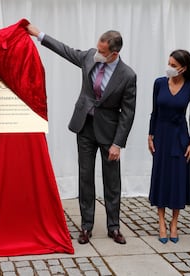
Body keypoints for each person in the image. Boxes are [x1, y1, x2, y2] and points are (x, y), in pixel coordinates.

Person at [27, 24, 137, 245]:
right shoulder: (89, 56)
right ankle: (86, 226)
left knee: (111, 181)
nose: (97, 54)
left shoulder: (128, 76)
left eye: (102, 52)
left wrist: (118, 144)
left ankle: (113, 227)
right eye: (97, 48)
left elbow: (128, 112)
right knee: (85, 178)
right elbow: (65, 50)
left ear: (114, 54)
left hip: (109, 133)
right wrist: (39, 34)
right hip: (84, 127)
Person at [148, 49, 190, 244]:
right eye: (168, 63)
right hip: (161, 135)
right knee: (161, 177)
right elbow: (154, 111)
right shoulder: (159, 83)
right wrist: (150, 135)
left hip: (180, 137)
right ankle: (161, 221)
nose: (169, 68)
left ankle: (174, 222)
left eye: (174, 65)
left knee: (178, 179)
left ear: (184, 68)